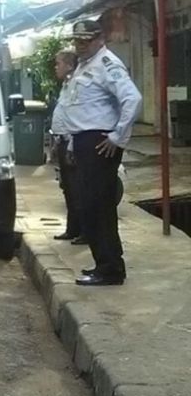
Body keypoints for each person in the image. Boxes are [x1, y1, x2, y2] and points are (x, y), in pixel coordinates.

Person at [65, 18, 141, 286]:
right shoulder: (85, 65)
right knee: (88, 207)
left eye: (85, 41)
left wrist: (118, 136)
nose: (80, 46)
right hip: (85, 142)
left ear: (100, 39)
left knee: (99, 207)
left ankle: (111, 269)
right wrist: (74, 143)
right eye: (77, 41)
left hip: (100, 143)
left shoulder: (108, 64)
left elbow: (132, 99)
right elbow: (80, 108)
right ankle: (102, 264)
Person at [49, 49, 85, 244]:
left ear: (69, 66)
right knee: (68, 188)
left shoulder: (76, 85)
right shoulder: (65, 86)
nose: (56, 67)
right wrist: (56, 142)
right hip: (62, 141)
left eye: (59, 64)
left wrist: (70, 143)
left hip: (72, 142)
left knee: (77, 189)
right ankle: (72, 229)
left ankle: (84, 231)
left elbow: (75, 117)